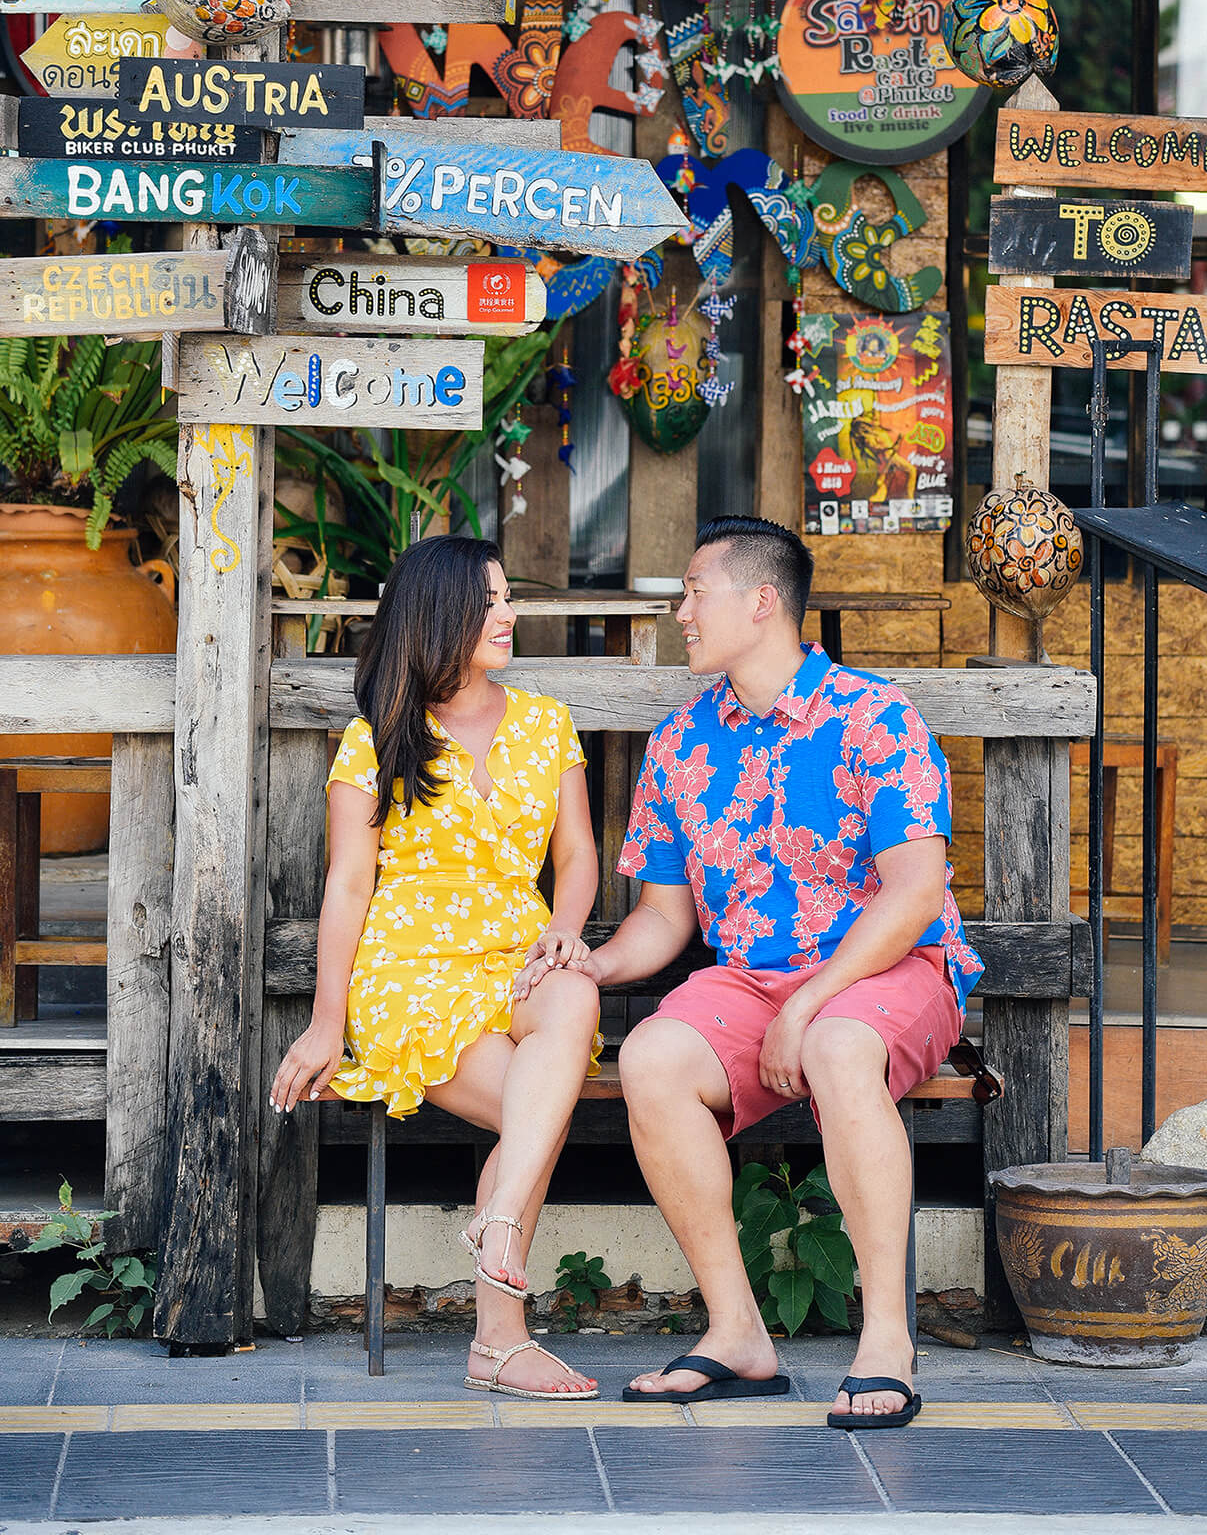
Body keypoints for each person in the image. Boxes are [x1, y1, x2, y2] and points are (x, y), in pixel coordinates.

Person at [518, 515, 981, 1428]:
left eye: (695, 590)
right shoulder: (683, 741)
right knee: (651, 1060)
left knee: (843, 1047)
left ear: (762, 601)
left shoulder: (874, 715)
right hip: (751, 983)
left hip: (888, 969)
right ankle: (736, 1331)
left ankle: (887, 1335)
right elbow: (664, 916)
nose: (681, 611)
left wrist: (809, 1001)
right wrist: (592, 963)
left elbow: (915, 894)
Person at [269, 536, 602, 1400]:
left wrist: (566, 930)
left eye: (507, 598)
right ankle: (499, 1339)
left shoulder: (545, 722)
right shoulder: (379, 736)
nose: (509, 614)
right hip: (410, 973)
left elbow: (578, 858)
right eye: (490, 600)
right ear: (438, 613)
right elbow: (347, 884)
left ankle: (496, 1244)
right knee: (544, 1106)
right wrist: (325, 1021)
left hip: (519, 959)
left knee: (570, 996)